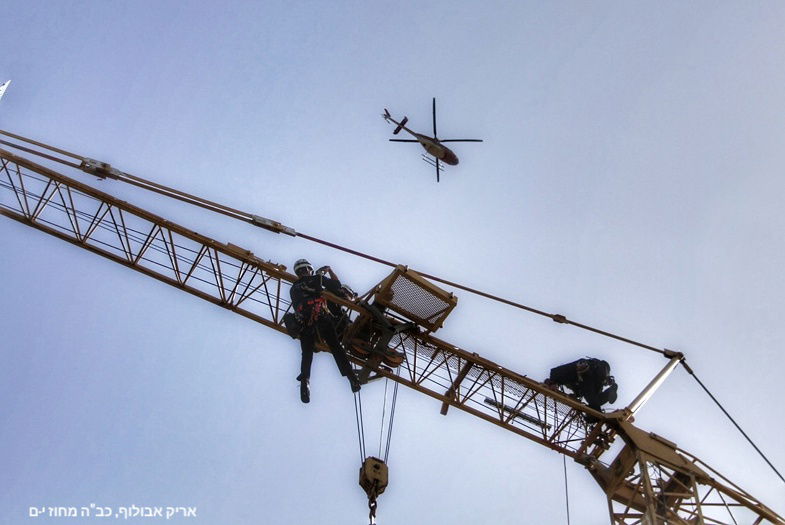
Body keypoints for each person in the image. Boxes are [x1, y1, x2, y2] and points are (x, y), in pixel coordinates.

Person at [290, 258, 360, 403]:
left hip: (304, 322)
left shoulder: (293, 288)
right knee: (336, 347)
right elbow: (337, 286)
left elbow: (297, 305)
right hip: (321, 316)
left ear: (298, 273)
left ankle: (305, 383)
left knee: (307, 353)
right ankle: (351, 378)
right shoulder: (317, 278)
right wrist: (328, 271)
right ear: (309, 269)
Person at [544, 357, 618, 411]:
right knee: (595, 400)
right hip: (589, 375)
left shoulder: (556, 375)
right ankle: (610, 391)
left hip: (587, 374)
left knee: (593, 402)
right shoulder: (563, 378)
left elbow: (582, 384)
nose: (554, 389)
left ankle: (592, 415)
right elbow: (581, 388)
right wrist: (575, 395)